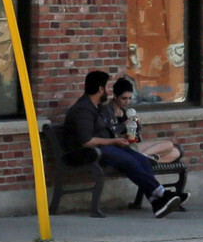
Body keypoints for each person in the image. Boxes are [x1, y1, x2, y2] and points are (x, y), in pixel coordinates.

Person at [60, 71, 183, 216]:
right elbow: (86, 141)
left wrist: (120, 137)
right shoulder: (83, 110)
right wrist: (113, 140)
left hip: (103, 149)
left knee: (141, 159)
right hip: (84, 153)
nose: (106, 91)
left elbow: (102, 133)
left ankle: (156, 201)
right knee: (128, 161)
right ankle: (161, 193)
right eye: (105, 88)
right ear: (100, 89)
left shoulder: (96, 107)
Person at [108, 77, 184, 165]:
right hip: (120, 148)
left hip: (132, 145)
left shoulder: (125, 112)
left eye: (129, 98)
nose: (127, 102)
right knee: (169, 145)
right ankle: (143, 157)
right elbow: (109, 133)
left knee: (176, 152)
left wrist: (137, 124)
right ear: (115, 96)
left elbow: (134, 134)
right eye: (124, 98)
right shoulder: (107, 111)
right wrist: (125, 125)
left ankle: (145, 158)